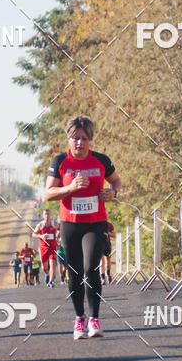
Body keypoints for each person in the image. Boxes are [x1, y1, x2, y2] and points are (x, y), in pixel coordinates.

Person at [46, 115, 121, 339]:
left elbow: (116, 181)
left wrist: (113, 193)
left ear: (90, 140)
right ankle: (79, 318)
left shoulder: (101, 160)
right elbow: (49, 193)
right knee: (75, 273)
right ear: (69, 139)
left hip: (95, 224)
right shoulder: (60, 162)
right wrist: (69, 188)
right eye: (75, 138)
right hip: (70, 224)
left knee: (91, 268)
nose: (79, 142)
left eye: (84, 138)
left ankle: (94, 319)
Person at [33, 208, 58, 287]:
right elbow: (33, 234)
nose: (47, 215)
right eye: (45, 214)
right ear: (43, 216)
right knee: (44, 267)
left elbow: (61, 230)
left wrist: (58, 237)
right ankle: (47, 274)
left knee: (52, 264)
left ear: (50, 215)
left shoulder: (55, 224)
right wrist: (41, 236)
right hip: (43, 248)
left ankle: (51, 281)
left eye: (48, 214)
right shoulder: (40, 225)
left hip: (52, 247)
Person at [100, 220, 115, 285]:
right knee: (101, 261)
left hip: (107, 243)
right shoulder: (97, 224)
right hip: (100, 244)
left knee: (108, 261)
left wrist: (107, 232)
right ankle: (102, 278)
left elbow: (114, 235)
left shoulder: (109, 225)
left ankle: (108, 275)